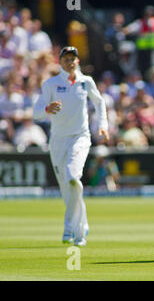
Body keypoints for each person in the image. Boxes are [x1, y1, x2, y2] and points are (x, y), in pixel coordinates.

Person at [33, 46, 109, 246]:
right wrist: (47, 109)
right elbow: (36, 112)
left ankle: (79, 232)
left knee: (73, 177)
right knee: (66, 187)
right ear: (60, 62)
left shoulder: (86, 81)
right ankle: (71, 228)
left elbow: (99, 103)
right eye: (66, 59)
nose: (70, 62)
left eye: (73, 58)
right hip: (57, 140)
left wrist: (102, 125)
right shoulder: (51, 83)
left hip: (80, 137)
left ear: (78, 61)